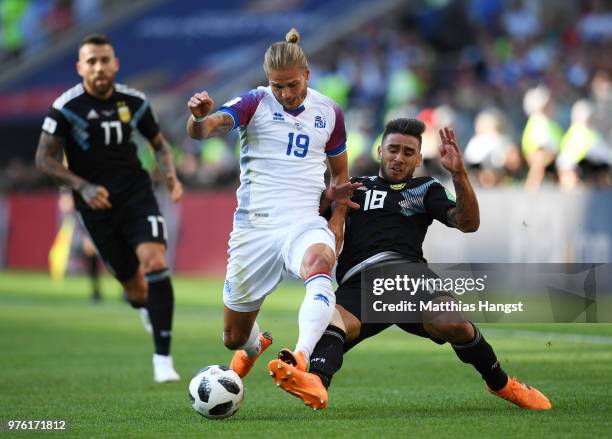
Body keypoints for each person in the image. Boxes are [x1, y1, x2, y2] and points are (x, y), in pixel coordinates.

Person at [268, 118, 552, 411]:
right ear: (380, 150)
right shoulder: (355, 188)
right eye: (393, 149)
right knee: (330, 324)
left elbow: (468, 223)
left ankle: (502, 384)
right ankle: (316, 382)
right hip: (361, 284)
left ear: (418, 158)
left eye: (407, 152)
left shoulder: (425, 188)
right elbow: (306, 222)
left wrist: (459, 174)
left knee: (454, 323)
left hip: (411, 279)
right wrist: (328, 200)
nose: (398, 157)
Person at [186, 28, 358, 380]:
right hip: (255, 228)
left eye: (292, 85)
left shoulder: (330, 112)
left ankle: (300, 359)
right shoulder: (255, 101)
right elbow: (207, 128)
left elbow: (341, 178)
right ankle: (254, 345)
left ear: (307, 74)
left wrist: (337, 220)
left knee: (319, 263)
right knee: (232, 336)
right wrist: (198, 118)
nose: (285, 93)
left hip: (303, 223)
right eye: (277, 86)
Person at [35, 34, 183, 383]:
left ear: (116, 63)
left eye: (104, 60)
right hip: (95, 206)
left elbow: (159, 144)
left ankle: (163, 361)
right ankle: (146, 307)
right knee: (135, 289)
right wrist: (82, 186)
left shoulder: (135, 101)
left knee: (156, 261)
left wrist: (172, 177)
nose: (99, 67)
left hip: (137, 194)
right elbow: (43, 158)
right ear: (80, 67)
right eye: (91, 61)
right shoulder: (65, 107)